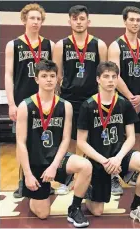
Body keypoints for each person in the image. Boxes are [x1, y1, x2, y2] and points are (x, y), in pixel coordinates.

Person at [77, 61, 140, 225]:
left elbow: (131, 137)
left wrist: (118, 158)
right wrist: (105, 161)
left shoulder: (123, 104)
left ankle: (136, 207)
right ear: (98, 79)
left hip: (119, 153)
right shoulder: (88, 105)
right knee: (97, 212)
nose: (110, 80)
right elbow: (81, 143)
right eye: (106, 76)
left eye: (114, 76)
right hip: (98, 159)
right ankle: (88, 190)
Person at [16, 60, 91, 227]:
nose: (49, 80)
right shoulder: (25, 106)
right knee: (43, 214)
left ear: (58, 79)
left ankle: (75, 207)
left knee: (85, 166)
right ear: (36, 79)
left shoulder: (66, 106)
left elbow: (66, 139)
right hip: (36, 162)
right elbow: (21, 143)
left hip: (56, 159)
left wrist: (54, 165)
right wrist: (27, 174)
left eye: (52, 76)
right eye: (44, 76)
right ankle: (32, 191)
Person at [53, 5, 107, 194]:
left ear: (88, 21)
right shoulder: (61, 45)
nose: (78, 22)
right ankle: (66, 179)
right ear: (69, 21)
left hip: (92, 99)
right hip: (69, 99)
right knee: (67, 140)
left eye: (82, 18)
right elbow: (57, 76)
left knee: (90, 140)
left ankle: (88, 176)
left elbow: (104, 74)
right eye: (75, 18)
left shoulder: (99, 45)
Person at [4, 3, 55, 198]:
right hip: (23, 100)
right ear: (24, 20)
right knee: (22, 141)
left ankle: (46, 180)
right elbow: (8, 75)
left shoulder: (48, 44)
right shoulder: (14, 45)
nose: (35, 22)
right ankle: (23, 179)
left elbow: (54, 74)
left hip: (46, 101)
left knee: (46, 140)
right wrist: (11, 103)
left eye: (38, 19)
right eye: (32, 18)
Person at [107, 6, 140, 195]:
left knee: (139, 135)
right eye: (131, 19)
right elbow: (114, 75)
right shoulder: (116, 45)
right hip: (121, 99)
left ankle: (134, 173)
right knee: (116, 137)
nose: (135, 23)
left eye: (138, 20)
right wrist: (130, 97)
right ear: (124, 21)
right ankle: (112, 177)